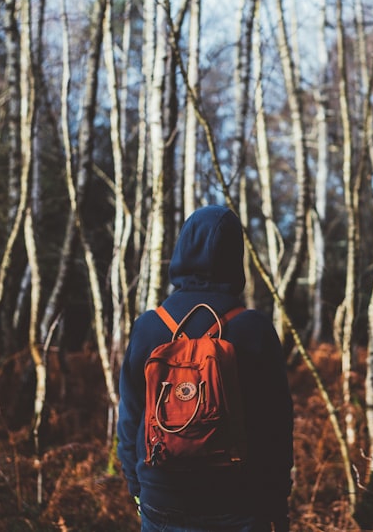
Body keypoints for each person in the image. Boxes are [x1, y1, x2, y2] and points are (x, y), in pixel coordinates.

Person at [118, 205, 294, 532]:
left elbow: (130, 417)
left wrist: (137, 484)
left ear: (182, 250)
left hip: (162, 495)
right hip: (237, 499)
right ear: (234, 258)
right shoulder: (253, 329)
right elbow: (277, 426)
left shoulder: (149, 326)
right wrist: (276, 499)